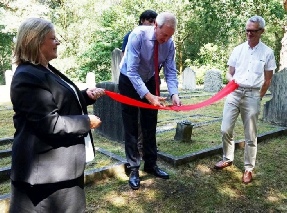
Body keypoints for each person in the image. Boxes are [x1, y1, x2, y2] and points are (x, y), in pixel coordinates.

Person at [9, 17, 105, 212]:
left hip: (62, 169)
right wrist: (86, 122)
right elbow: (49, 123)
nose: (58, 42)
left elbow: (58, 99)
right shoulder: (27, 76)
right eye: (53, 38)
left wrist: (85, 95)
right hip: (44, 177)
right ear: (36, 41)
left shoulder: (44, 70)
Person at [119, 12, 182, 190]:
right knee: (131, 125)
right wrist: (149, 96)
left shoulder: (169, 43)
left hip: (150, 78)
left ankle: (151, 164)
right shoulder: (137, 36)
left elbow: (170, 70)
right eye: (164, 34)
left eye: (170, 35)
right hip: (129, 80)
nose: (166, 39)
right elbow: (131, 71)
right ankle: (133, 168)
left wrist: (174, 94)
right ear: (155, 25)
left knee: (150, 123)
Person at [214, 16, 277, 184]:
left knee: (250, 134)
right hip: (234, 93)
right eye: (247, 30)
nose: (249, 33)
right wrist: (231, 80)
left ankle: (248, 168)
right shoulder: (238, 50)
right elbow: (229, 72)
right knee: (225, 128)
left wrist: (259, 96)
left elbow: (268, 79)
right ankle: (227, 158)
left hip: (252, 94)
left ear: (261, 31)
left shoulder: (268, 52)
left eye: (253, 31)